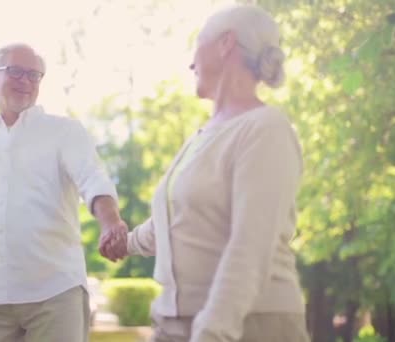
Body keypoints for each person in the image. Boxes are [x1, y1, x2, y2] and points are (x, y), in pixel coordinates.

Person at [101, 4, 310, 342]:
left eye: (198, 44)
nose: (191, 62)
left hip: (249, 323)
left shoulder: (265, 128)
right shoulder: (200, 138)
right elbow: (174, 222)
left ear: (226, 44)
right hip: (175, 322)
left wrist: (213, 331)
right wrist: (125, 242)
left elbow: (250, 245)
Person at [0, 42, 128, 342]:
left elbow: (93, 180)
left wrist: (111, 223)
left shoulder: (65, 132)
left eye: (34, 75)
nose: (25, 81)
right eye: (15, 71)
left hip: (55, 295)